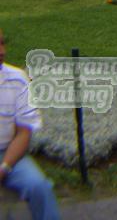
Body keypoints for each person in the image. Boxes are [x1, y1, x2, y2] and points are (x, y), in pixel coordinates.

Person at [0, 28, 61, 219]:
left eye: (2, 43)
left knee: (39, 187)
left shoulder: (17, 79)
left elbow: (23, 133)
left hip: (9, 154)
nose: (2, 51)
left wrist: (4, 168)